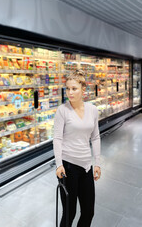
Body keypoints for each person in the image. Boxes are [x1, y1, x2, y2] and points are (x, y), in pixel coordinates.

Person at [53, 69, 101, 227]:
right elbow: (57, 138)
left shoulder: (93, 110)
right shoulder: (62, 111)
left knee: (88, 212)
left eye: (74, 88)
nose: (70, 92)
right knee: (69, 213)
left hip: (86, 167)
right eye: (67, 88)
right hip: (68, 167)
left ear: (83, 90)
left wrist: (98, 163)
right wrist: (59, 163)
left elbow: (95, 137)